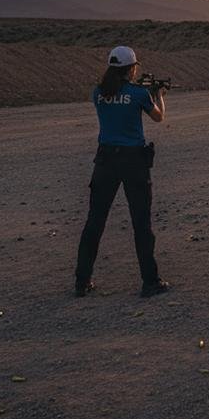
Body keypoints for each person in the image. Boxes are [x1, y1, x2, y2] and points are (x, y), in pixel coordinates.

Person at [74, 46, 169, 298]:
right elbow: (158, 117)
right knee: (141, 223)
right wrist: (157, 95)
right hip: (132, 161)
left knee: (95, 221)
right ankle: (150, 281)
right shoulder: (138, 94)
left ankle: (81, 281)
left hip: (105, 160)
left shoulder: (98, 93)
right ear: (131, 68)